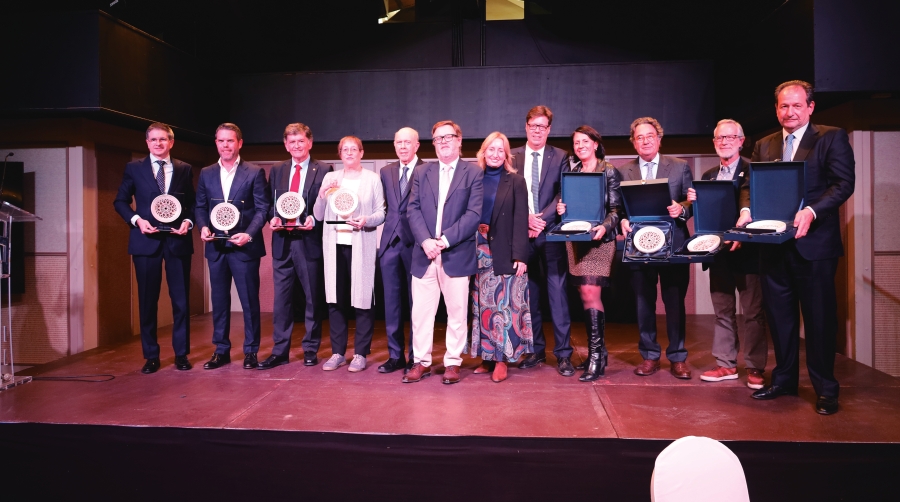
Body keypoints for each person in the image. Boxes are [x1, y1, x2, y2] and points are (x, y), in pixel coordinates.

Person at [741, 80, 855, 415]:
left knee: (819, 321)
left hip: (814, 246)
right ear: (776, 109)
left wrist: (811, 210)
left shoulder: (831, 137)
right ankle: (784, 380)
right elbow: (750, 185)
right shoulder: (764, 144)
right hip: (774, 247)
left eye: (795, 105)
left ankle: (825, 389)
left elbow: (843, 183)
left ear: (810, 107)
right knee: (780, 319)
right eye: (783, 106)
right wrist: (747, 208)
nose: (789, 112)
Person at [687, 119, 768, 390]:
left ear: (741, 141)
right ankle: (726, 363)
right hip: (719, 253)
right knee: (723, 311)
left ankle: (755, 367)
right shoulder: (709, 176)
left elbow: (759, 209)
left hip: (748, 253)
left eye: (730, 137)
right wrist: (691, 202)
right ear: (714, 143)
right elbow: (704, 215)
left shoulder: (752, 171)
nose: (725, 142)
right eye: (720, 138)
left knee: (754, 313)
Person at [403, 120, 483, 385]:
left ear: (459, 140)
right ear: (433, 144)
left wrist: (444, 241)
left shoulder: (472, 173)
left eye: (449, 137)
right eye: (438, 138)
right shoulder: (423, 172)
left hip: (455, 253)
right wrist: (426, 241)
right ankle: (421, 362)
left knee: (457, 313)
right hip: (423, 253)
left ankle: (452, 362)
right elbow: (412, 209)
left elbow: (473, 215)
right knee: (421, 314)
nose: (444, 141)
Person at [113, 122, 195, 374]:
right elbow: (120, 201)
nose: (158, 144)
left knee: (181, 302)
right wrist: (138, 220)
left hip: (177, 241)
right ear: (146, 143)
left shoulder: (184, 168)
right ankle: (151, 355)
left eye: (163, 139)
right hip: (145, 242)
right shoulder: (133, 168)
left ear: (171, 142)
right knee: (148, 301)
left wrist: (188, 222)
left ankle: (181, 354)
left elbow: (192, 204)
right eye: (153, 140)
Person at [619, 117, 694, 379]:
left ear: (659, 139)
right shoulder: (624, 170)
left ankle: (677, 357)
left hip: (673, 245)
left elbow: (691, 201)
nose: (645, 140)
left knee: (674, 302)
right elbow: (618, 208)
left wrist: (681, 208)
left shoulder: (680, 166)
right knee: (643, 303)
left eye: (650, 135)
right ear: (634, 142)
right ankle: (649, 355)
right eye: (639, 137)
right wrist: (623, 220)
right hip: (639, 246)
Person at [195, 123, 270, 370]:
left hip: (244, 247)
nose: (225, 145)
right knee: (219, 300)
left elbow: (262, 209)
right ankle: (221, 350)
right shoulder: (206, 173)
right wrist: (203, 226)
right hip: (216, 247)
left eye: (230, 141)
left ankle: (250, 351)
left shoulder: (254, 172)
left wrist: (248, 235)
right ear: (216, 143)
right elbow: (200, 206)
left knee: (249, 301)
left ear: (239, 143)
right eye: (221, 141)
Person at [259, 123, 332, 370]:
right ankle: (280, 351)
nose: (296, 146)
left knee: (313, 298)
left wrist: (315, 217)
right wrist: (273, 217)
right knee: (282, 301)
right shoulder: (278, 169)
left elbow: (327, 204)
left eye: (300, 141)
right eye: (291, 142)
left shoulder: (324, 169)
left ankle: (310, 349)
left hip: (308, 241)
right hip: (282, 241)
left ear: (310, 142)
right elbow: (270, 202)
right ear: (286, 145)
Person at [510, 106, 575, 377]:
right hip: (521, 235)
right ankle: (536, 351)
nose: (537, 130)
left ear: (548, 130)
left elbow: (563, 191)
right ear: (526, 127)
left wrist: (541, 220)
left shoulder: (560, 156)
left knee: (557, 295)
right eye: (533, 125)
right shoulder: (512, 155)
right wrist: (525, 219)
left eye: (542, 126)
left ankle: (563, 354)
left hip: (549, 234)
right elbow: (505, 192)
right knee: (530, 296)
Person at [555, 125, 623, 381]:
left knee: (591, 291)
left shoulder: (609, 171)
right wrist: (562, 208)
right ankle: (600, 352)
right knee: (583, 293)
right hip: (576, 239)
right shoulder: (570, 172)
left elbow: (616, 210)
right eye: (576, 143)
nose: (580, 146)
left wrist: (604, 227)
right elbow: (567, 205)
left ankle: (595, 358)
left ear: (596, 143)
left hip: (599, 240)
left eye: (585, 141)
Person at [313, 136, 385, 373]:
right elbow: (319, 215)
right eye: (345, 149)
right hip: (334, 245)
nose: (350, 153)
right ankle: (337, 352)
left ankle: (361, 353)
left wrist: (366, 220)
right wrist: (321, 194)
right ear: (340, 154)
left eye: (354, 149)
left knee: (363, 299)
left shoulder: (372, 179)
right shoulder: (331, 178)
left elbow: (380, 213)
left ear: (362, 153)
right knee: (336, 299)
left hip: (361, 244)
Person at [469, 132, 532, 383]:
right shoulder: (473, 178)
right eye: (490, 149)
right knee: (482, 305)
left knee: (502, 305)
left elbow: (520, 220)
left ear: (506, 155)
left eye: (500, 150)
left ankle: (501, 359)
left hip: (504, 248)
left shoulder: (515, 181)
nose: (495, 154)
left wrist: (520, 255)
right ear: (483, 152)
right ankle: (486, 356)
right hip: (477, 247)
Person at [377, 127, 424, 374]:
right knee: (391, 304)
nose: (403, 147)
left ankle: (416, 356)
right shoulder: (386, 171)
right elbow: (381, 207)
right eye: (399, 142)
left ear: (417, 145)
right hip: (389, 245)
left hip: (416, 245)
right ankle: (395, 356)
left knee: (417, 304)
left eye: (408, 142)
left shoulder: (428, 170)